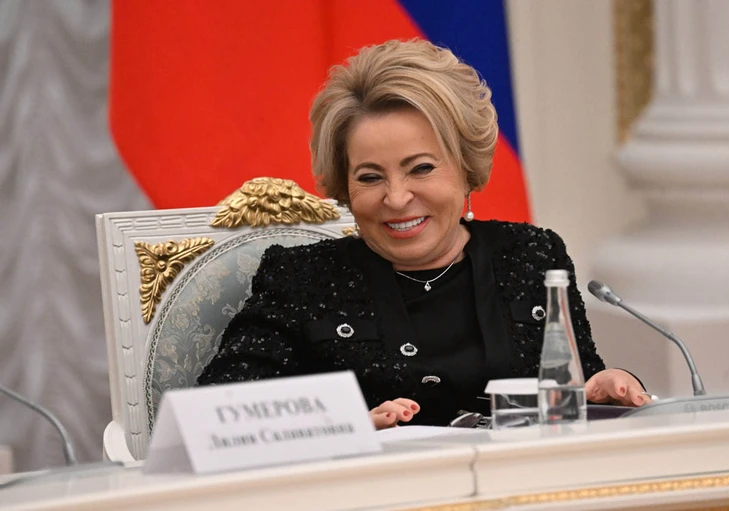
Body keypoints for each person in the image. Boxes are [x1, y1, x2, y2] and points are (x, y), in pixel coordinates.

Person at [197, 39, 649, 429]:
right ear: (346, 187)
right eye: (370, 177)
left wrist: (608, 385)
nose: (396, 198)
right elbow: (220, 413)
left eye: (421, 169)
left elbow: (579, 387)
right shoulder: (302, 279)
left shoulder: (532, 256)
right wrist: (347, 426)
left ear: (466, 168)